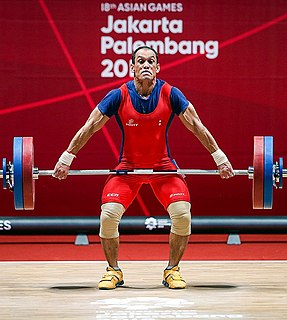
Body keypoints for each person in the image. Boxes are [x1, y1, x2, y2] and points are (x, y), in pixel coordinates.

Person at [53, 45, 235, 290]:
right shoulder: (118, 95)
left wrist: (220, 158)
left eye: (151, 61)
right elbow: (90, 126)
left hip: (162, 169)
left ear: (158, 68)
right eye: (141, 61)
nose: (146, 65)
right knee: (108, 216)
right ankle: (113, 271)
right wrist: (66, 158)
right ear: (132, 68)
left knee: (182, 214)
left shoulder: (170, 93)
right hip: (128, 169)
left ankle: (172, 270)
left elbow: (196, 125)